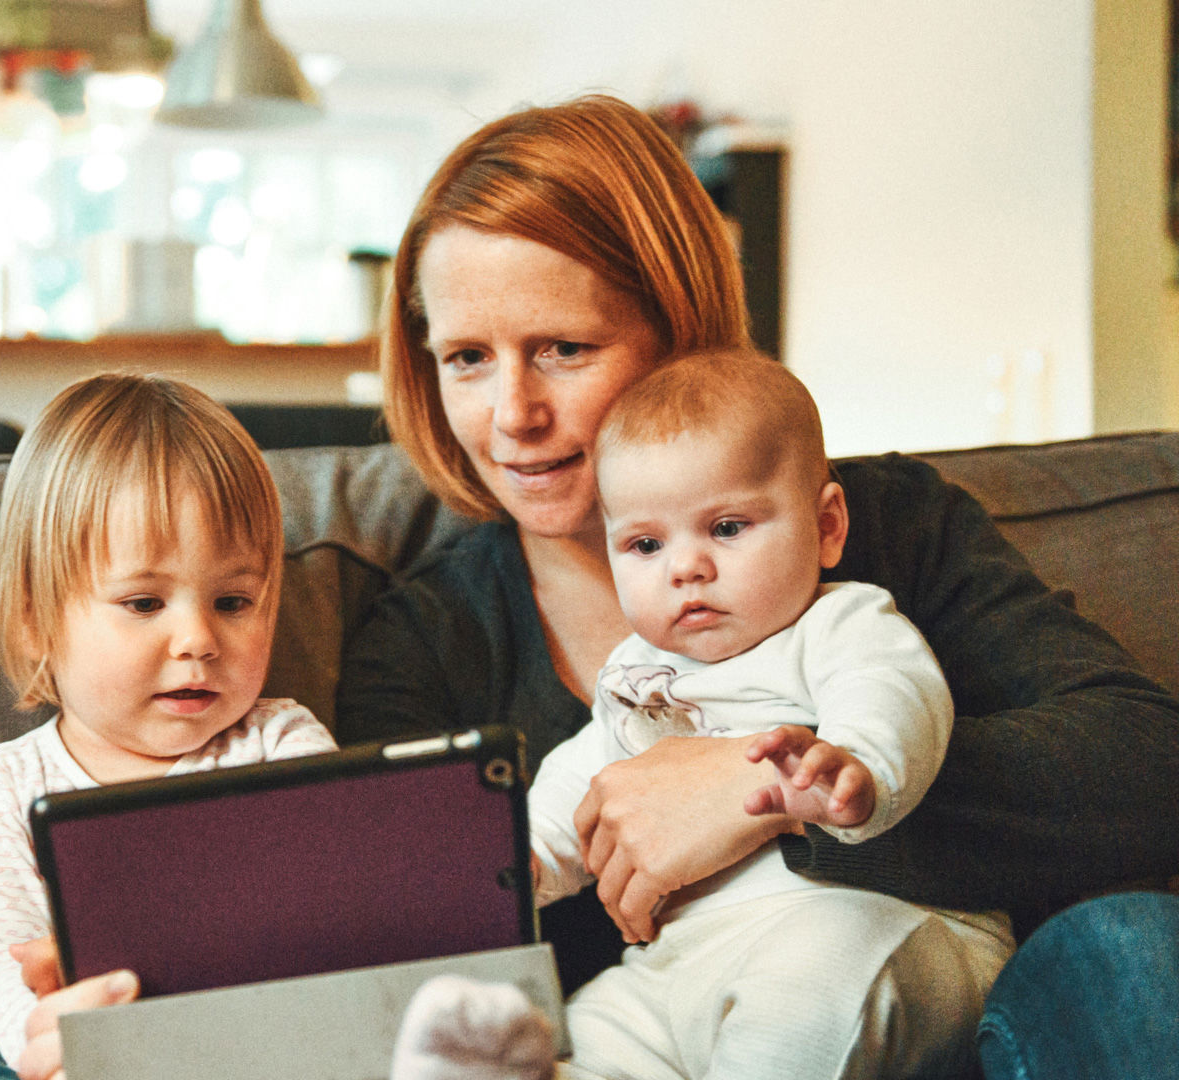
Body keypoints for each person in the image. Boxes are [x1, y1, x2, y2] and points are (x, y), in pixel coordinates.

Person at [332, 93, 1179, 1078]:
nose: (514, 413)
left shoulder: (885, 527)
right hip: (649, 1035)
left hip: (945, 1020)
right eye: (468, 359)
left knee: (1131, 945)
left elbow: (1146, 764)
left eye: (565, 348)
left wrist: (765, 786)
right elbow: (413, 934)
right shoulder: (425, 641)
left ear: (677, 331)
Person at [507, 346, 1008, 1077]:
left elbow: (894, 693)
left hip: (870, 926)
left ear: (827, 526)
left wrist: (854, 765)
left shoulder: (839, 625)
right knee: (582, 1035)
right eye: (645, 543)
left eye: (728, 528)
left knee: (801, 1004)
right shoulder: (635, 676)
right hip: (681, 963)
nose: (686, 567)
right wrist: (515, 863)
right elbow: (582, 784)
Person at [0, 372, 340, 1078]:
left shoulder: (284, 749)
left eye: (232, 600)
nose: (197, 638)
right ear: (36, 619)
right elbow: (5, 1019)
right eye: (142, 603)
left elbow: (333, 957)